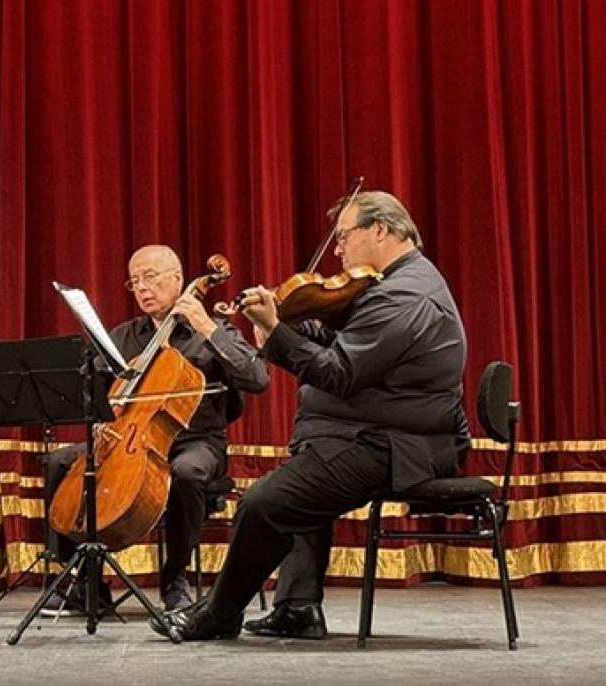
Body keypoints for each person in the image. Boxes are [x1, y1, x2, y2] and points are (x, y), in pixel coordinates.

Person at [152, 190, 470, 641]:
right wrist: (277, 321)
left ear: (379, 230)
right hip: (374, 435)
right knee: (307, 465)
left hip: (400, 446)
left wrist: (279, 331)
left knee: (264, 504)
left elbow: (339, 372)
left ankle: (219, 613)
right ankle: (298, 607)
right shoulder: (389, 283)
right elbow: (339, 336)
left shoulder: (405, 295)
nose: (338, 250)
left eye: (344, 237)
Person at [43, 245, 269, 613]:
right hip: (127, 439)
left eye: (151, 277)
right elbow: (94, 393)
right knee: (60, 462)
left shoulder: (212, 329)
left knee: (185, 473)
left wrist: (207, 326)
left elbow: (257, 379)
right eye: (134, 281)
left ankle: (174, 579)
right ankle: (85, 581)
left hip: (196, 442)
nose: (143, 288)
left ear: (178, 280)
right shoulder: (124, 336)